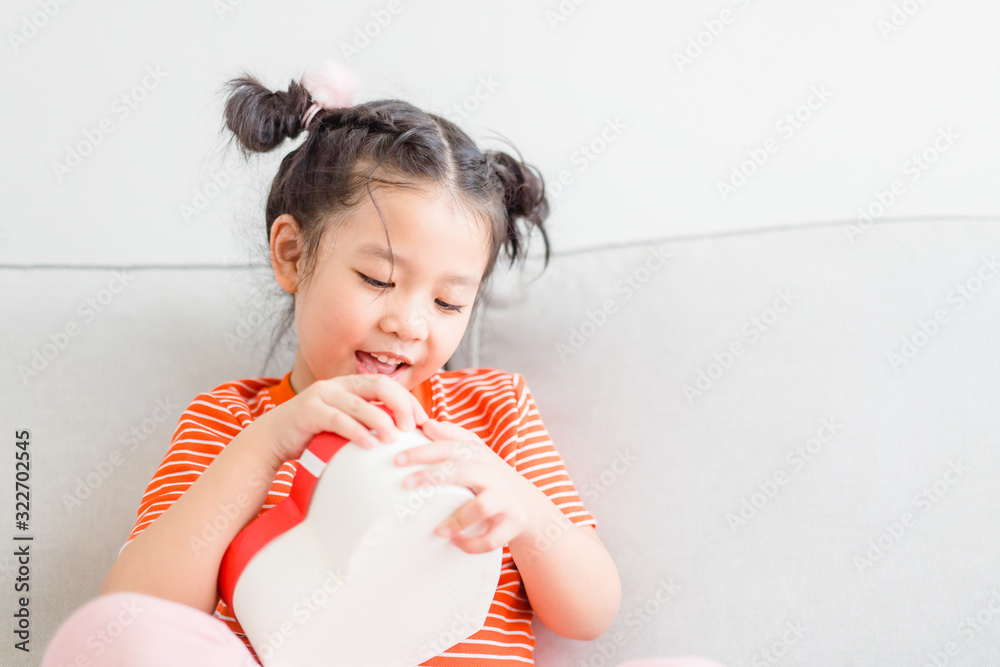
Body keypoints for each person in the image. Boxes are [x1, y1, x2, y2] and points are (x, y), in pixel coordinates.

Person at [41, 61, 724, 667]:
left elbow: (590, 611)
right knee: (108, 638)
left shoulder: (492, 412)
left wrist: (513, 496)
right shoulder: (232, 420)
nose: (409, 322)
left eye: (450, 300)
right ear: (292, 254)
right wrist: (268, 445)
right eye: (376, 279)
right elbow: (136, 613)